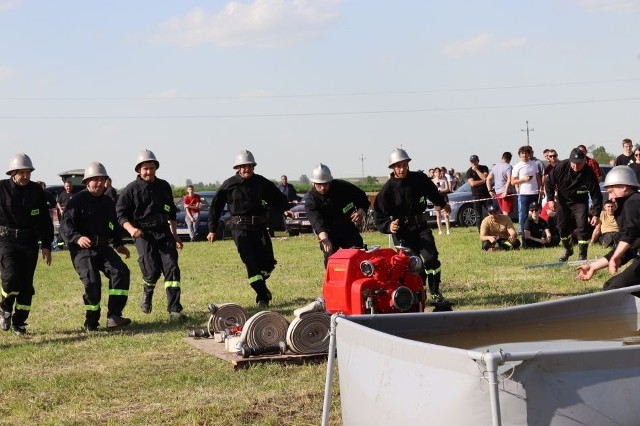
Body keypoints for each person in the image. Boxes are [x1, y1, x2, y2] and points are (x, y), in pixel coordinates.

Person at [207, 150, 291, 308]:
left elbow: (276, 198)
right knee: (251, 263)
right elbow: (215, 206)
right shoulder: (229, 184)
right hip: (240, 230)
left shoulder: (261, 182)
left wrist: (284, 209)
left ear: (254, 166)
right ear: (238, 168)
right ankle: (262, 296)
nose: (247, 169)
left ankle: (261, 283)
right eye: (243, 166)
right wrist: (212, 229)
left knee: (268, 263)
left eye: (250, 166)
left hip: (259, 228)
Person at [60, 162, 132, 331]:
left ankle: (114, 316)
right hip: (82, 251)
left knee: (120, 272)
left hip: (103, 247)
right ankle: (91, 321)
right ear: (87, 182)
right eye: (95, 180)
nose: (99, 183)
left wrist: (119, 244)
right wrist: (78, 238)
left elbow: (112, 225)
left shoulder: (108, 201)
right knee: (92, 282)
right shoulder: (76, 201)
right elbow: (66, 226)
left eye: (102, 179)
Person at [374, 148, 451, 302]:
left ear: (408, 164)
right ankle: (417, 296)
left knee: (431, 259)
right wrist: (389, 226)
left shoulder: (420, 179)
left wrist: (443, 204)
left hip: (421, 228)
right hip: (402, 233)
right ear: (393, 168)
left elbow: (433, 193)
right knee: (415, 266)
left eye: (404, 165)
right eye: (398, 166)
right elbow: (378, 216)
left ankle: (435, 293)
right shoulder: (387, 190)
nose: (402, 169)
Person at [116, 149, 185, 319]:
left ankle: (174, 309)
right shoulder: (131, 189)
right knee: (152, 271)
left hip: (163, 232)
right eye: (145, 168)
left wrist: (175, 235)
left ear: (156, 168)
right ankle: (148, 291)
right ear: (139, 170)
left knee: (172, 269)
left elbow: (171, 213)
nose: (149, 171)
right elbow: (120, 214)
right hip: (143, 235)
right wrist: (132, 230)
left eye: (152, 168)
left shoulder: (164, 186)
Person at [0, 153, 53, 335]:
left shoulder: (36, 191)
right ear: (12, 172)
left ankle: (19, 322)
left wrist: (46, 244)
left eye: (28, 172)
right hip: (6, 241)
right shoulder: (1, 188)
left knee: (26, 286)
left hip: (29, 242)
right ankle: (5, 307)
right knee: (11, 278)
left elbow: (45, 220)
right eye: (21, 172)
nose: (25, 176)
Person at [577, 166, 640, 290]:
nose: (610, 197)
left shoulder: (634, 203)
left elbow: (629, 233)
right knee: (610, 286)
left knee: (614, 289)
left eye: (611, 191)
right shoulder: (627, 205)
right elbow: (630, 247)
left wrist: (616, 257)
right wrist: (594, 266)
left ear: (624, 187)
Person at [304, 163, 369, 267]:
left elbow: (362, 197)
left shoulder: (342, 187)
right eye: (319, 184)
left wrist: (361, 211)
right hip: (328, 232)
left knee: (358, 252)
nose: (322, 188)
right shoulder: (311, 200)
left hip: (347, 227)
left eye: (325, 184)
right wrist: (324, 237)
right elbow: (317, 221)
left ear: (330, 181)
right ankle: (332, 280)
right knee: (330, 256)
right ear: (313, 183)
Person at [545, 147, 602, 262]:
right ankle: (568, 249)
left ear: (584, 161)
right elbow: (549, 182)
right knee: (562, 227)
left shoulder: (589, 172)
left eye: (579, 163)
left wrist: (596, 214)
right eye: (573, 163)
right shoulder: (561, 167)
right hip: (563, 201)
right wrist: (550, 199)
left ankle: (582, 255)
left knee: (582, 227)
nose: (575, 166)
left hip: (580, 203)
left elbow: (596, 195)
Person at [511, 145, 542, 234]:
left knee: (535, 212)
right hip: (524, 193)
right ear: (520, 155)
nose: (524, 155)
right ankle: (522, 230)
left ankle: (534, 229)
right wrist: (523, 180)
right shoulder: (517, 166)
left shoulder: (534, 164)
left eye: (526, 153)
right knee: (523, 213)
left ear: (529, 154)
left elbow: (537, 177)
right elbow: (513, 182)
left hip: (534, 192)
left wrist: (540, 188)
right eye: (522, 153)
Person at [465, 154, 491, 231]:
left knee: (491, 212)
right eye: (472, 162)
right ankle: (481, 231)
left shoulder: (484, 168)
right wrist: (482, 181)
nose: (473, 163)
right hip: (476, 196)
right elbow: (472, 183)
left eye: (475, 161)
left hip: (486, 194)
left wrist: (476, 170)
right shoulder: (469, 172)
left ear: (478, 161)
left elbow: (485, 177)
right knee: (478, 215)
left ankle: (492, 228)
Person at [431, 167, 451, 235]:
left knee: (446, 214)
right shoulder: (433, 181)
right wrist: (436, 188)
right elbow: (431, 190)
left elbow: (447, 189)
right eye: (436, 172)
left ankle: (448, 230)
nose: (438, 173)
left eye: (439, 172)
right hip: (436, 198)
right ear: (434, 173)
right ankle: (440, 230)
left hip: (443, 197)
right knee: (438, 215)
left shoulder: (444, 180)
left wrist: (441, 190)